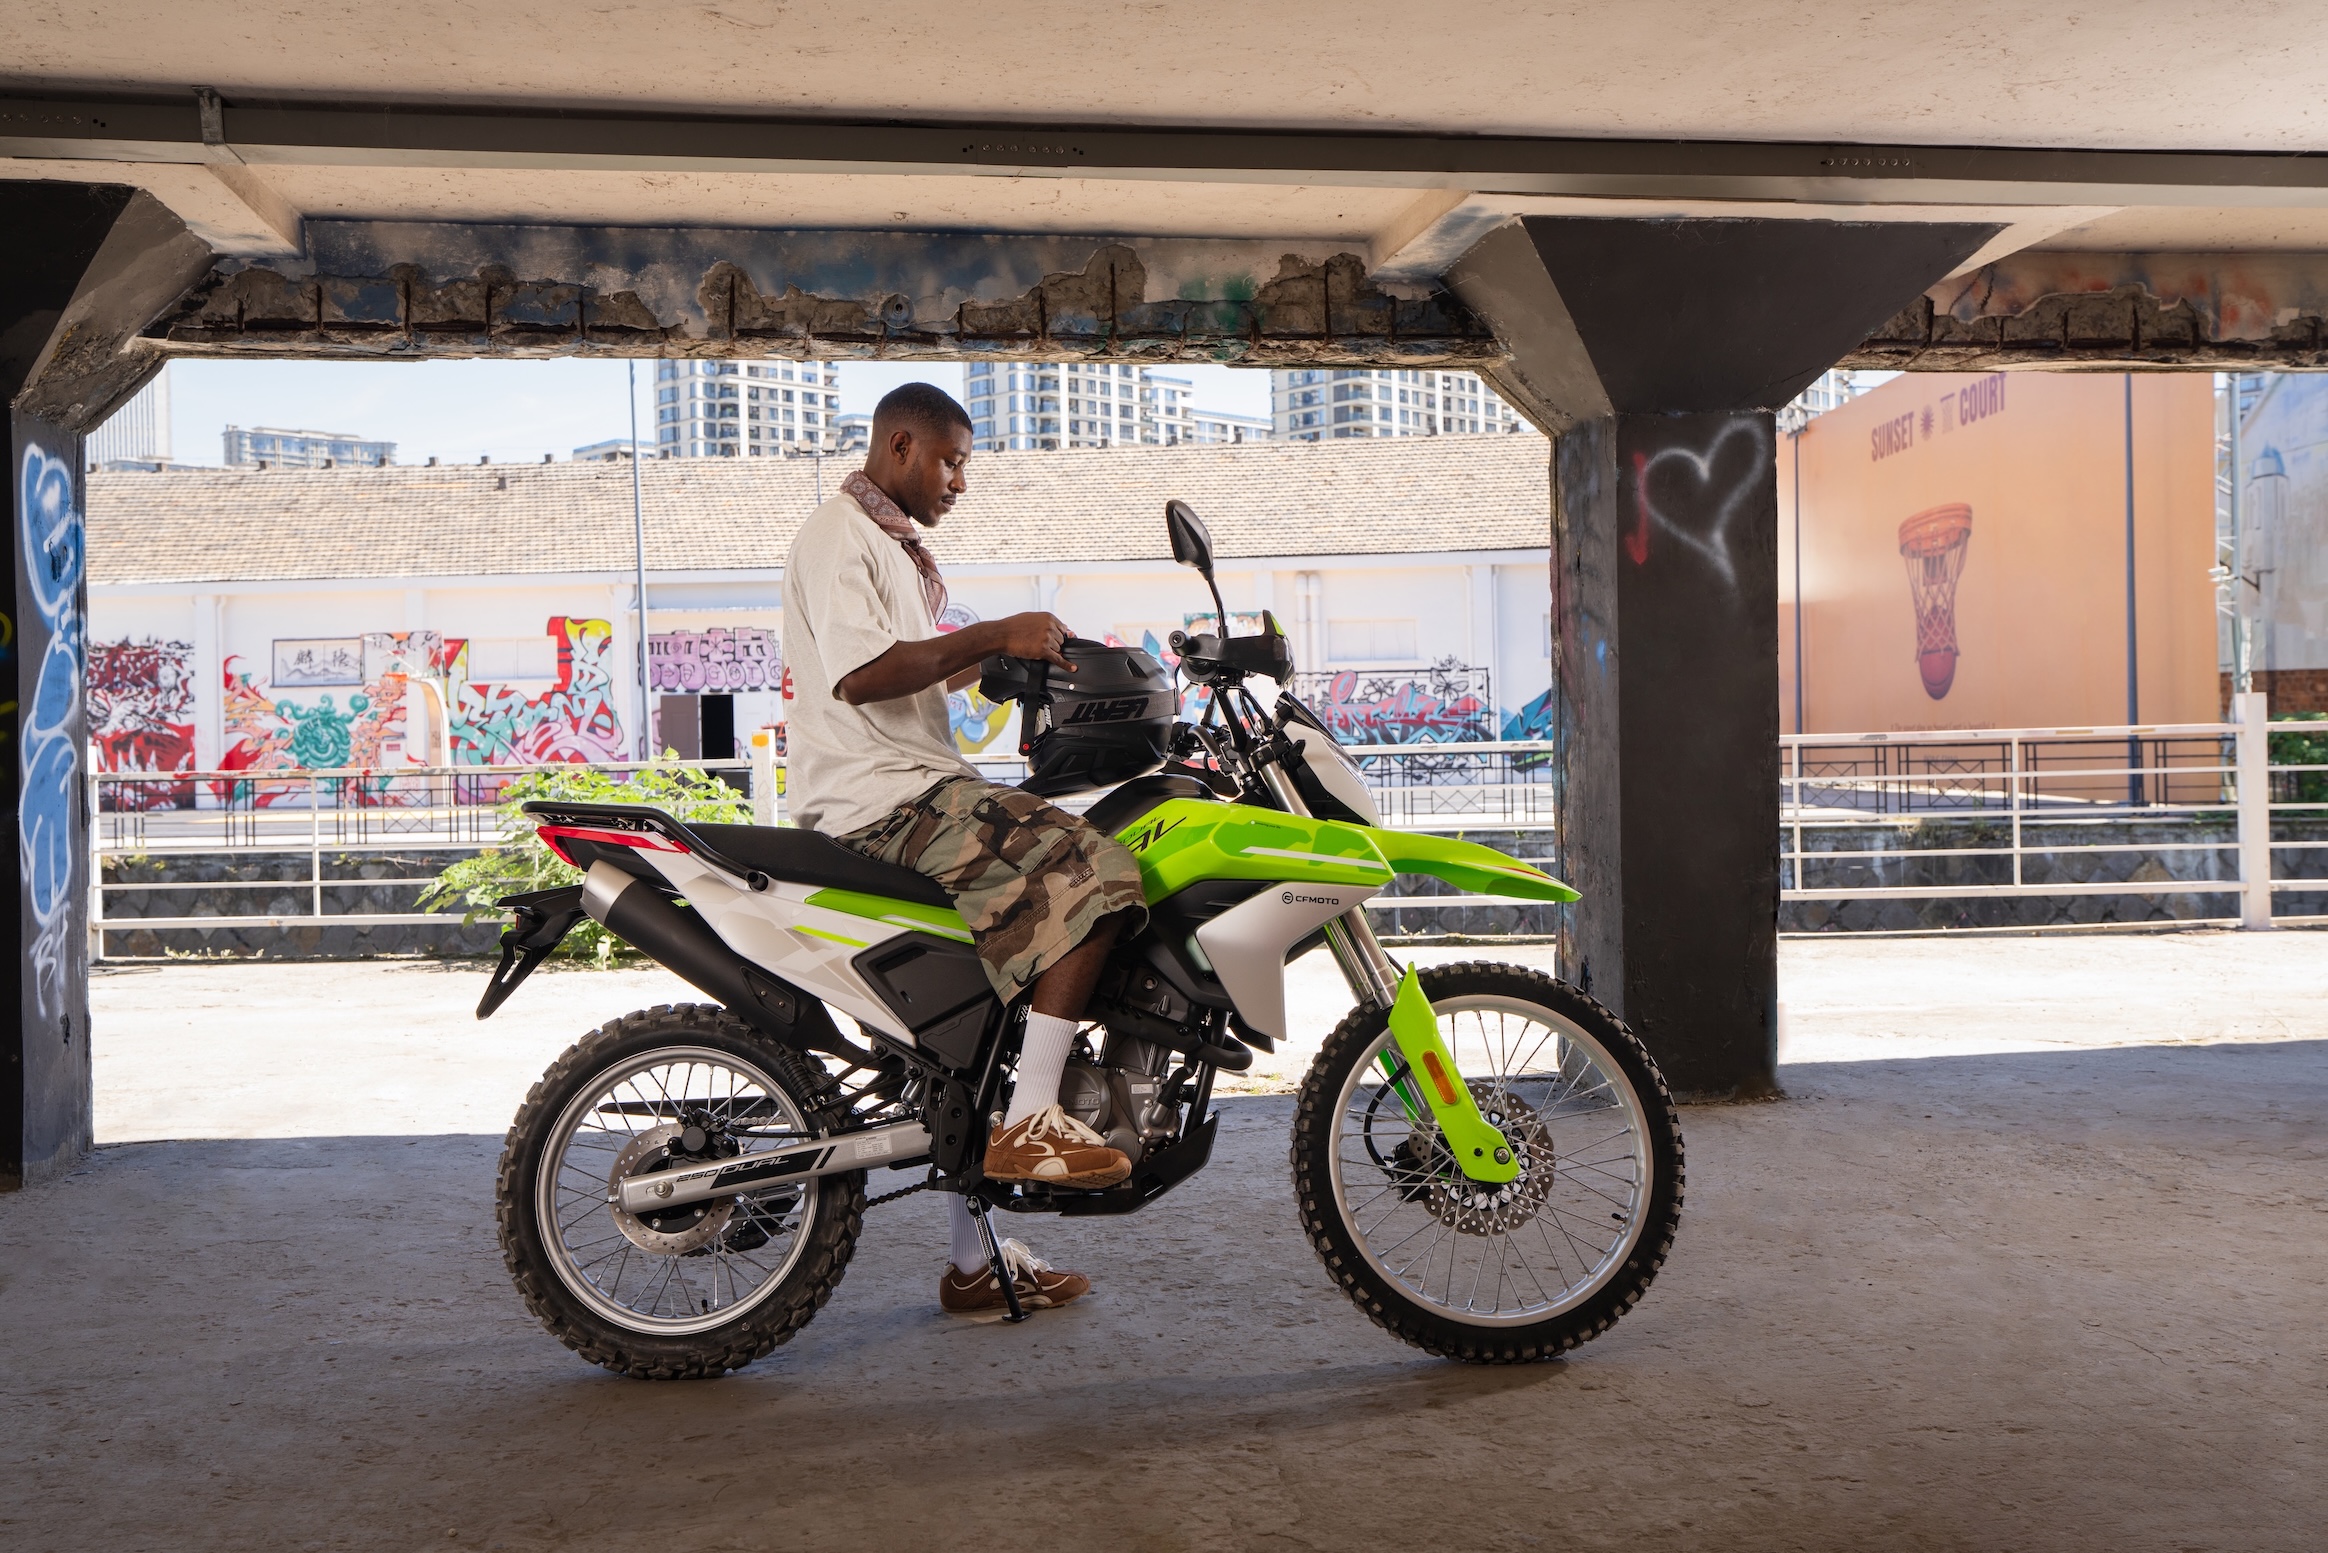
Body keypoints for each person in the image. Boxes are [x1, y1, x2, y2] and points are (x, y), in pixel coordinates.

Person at [781, 380, 1147, 1320]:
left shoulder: (890, 547)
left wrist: (1004, 662)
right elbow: (863, 675)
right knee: (1098, 869)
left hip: (911, 784)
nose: (959, 481)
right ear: (900, 445)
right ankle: (1032, 1121)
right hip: (882, 800)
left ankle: (974, 1262)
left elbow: (909, 664)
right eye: (950, 461)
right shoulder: (840, 536)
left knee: (974, 1032)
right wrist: (989, 632)